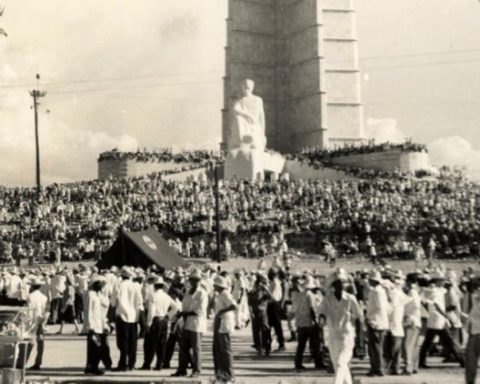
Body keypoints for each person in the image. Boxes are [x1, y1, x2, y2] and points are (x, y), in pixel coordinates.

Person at [318, 269, 363, 384]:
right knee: (340, 366)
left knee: (340, 363)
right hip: (333, 336)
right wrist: (321, 319)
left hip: (346, 336)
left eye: (342, 282)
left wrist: (360, 341)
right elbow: (322, 312)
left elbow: (359, 317)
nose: (340, 285)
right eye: (338, 283)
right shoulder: (328, 299)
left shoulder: (350, 299)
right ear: (333, 285)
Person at [419, 271, 465, 369]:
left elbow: (425, 301)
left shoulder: (438, 290)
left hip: (436, 319)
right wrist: (445, 315)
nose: (444, 282)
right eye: (442, 280)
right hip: (438, 318)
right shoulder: (434, 291)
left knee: (428, 342)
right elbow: (436, 305)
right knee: (449, 341)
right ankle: (462, 360)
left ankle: (421, 361)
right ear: (437, 281)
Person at [171, 269, 208, 378]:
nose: (193, 282)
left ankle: (197, 370)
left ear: (199, 281)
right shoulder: (188, 291)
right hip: (186, 323)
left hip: (197, 324)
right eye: (191, 280)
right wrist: (182, 314)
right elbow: (184, 306)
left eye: (195, 280)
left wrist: (184, 313)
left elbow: (199, 311)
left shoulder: (202, 293)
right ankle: (181, 369)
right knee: (183, 348)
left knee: (196, 348)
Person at [111, 266, 143, 371]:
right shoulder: (136, 286)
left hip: (122, 316)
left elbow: (113, 302)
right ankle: (132, 364)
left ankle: (123, 363)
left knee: (122, 342)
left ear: (121, 276)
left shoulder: (118, 285)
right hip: (134, 316)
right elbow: (139, 302)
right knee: (133, 341)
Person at [142, 276, 174, 371]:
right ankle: (159, 364)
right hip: (163, 320)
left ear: (155, 286)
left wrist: (148, 324)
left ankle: (147, 364)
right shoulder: (167, 296)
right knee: (162, 343)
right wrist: (168, 315)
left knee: (150, 343)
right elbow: (175, 307)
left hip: (155, 320)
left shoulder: (153, 295)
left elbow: (151, 311)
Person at [293, 275, 322, 372]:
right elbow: (312, 309)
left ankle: (298, 363)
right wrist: (316, 321)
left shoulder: (301, 294)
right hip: (309, 322)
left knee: (301, 345)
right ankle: (318, 363)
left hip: (300, 322)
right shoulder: (310, 295)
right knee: (316, 343)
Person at [229, 78, 266, 151]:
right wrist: (249, 115)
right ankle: (243, 140)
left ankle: (248, 139)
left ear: (252, 88)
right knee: (238, 118)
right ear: (242, 88)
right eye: (244, 87)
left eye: (248, 87)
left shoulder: (258, 100)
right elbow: (235, 109)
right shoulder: (240, 101)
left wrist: (262, 132)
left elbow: (261, 116)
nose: (246, 89)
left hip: (255, 125)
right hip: (245, 125)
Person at [212, 275, 237, 383]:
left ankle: (229, 373)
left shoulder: (225, 294)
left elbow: (234, 306)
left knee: (225, 349)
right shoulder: (219, 295)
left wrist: (222, 311)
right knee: (218, 349)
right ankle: (222, 373)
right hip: (220, 322)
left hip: (224, 323)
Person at [365, 270, 390, 377]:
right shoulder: (378, 291)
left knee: (376, 346)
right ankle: (376, 367)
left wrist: (372, 320)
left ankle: (378, 368)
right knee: (374, 346)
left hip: (376, 322)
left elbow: (380, 308)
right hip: (378, 321)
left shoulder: (377, 292)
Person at [85, 276, 109, 375]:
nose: (100, 286)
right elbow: (89, 311)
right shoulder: (90, 295)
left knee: (95, 347)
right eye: (99, 284)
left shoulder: (98, 295)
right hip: (93, 326)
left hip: (99, 325)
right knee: (95, 347)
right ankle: (93, 367)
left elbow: (106, 305)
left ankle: (90, 367)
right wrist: (90, 325)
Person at [28, 277, 49, 371]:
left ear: (32, 286)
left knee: (29, 343)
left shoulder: (29, 297)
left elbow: (28, 311)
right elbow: (47, 311)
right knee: (40, 343)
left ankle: (23, 361)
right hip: (41, 320)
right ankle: (38, 362)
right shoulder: (44, 297)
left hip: (32, 321)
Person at [465, 274, 480, 384]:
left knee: (471, 359)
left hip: (476, 333)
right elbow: (471, 315)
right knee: (470, 360)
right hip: (474, 333)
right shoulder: (475, 299)